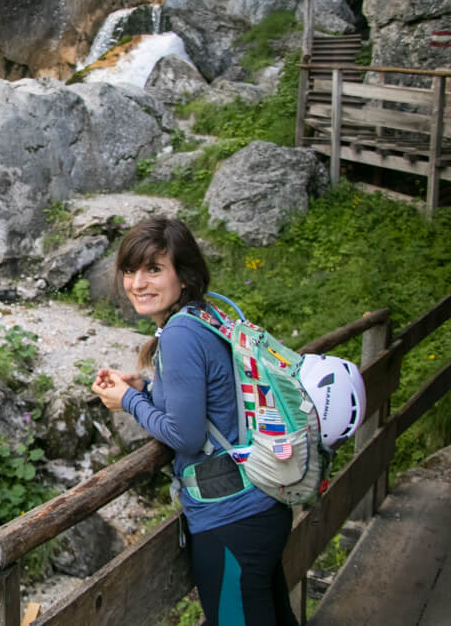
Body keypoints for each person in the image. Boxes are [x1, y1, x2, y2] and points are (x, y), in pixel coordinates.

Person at [91, 216, 297, 626]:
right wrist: (147, 390)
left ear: (182, 276)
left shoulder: (180, 335)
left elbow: (185, 436)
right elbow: (213, 403)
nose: (137, 283)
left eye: (153, 269)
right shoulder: (203, 316)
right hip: (259, 503)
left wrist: (130, 400)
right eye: (130, 271)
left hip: (232, 518)